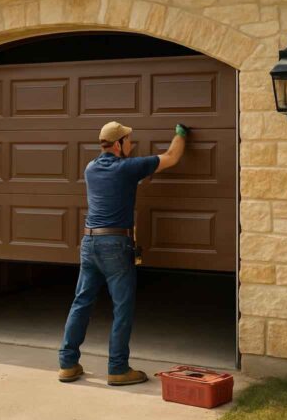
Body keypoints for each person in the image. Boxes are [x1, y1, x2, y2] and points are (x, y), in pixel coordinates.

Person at [58, 121, 189, 386]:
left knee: (81, 302)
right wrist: (181, 134)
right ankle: (118, 368)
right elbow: (172, 157)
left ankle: (67, 364)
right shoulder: (128, 167)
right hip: (116, 245)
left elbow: (123, 184)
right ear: (118, 144)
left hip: (90, 242)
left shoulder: (91, 168)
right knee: (122, 308)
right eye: (128, 140)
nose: (131, 144)